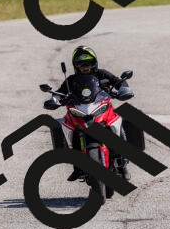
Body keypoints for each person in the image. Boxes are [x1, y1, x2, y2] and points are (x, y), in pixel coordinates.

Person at [44, 45, 134, 182]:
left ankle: (122, 165)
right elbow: (60, 92)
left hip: (101, 107)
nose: (85, 66)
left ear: (94, 63)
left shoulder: (102, 74)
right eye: (81, 64)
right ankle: (77, 166)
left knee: (117, 120)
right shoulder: (71, 80)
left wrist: (124, 89)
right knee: (67, 125)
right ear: (76, 66)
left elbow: (119, 82)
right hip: (80, 110)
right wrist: (54, 100)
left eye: (88, 63)